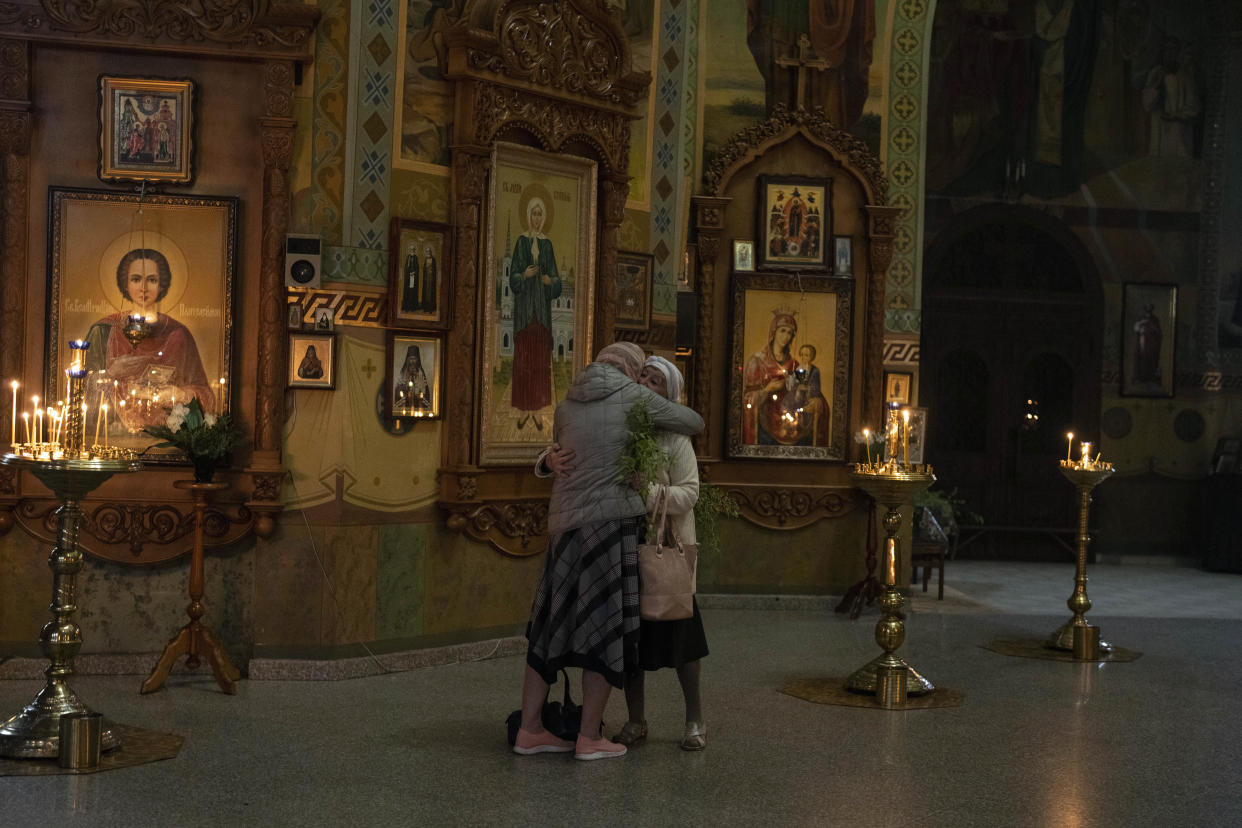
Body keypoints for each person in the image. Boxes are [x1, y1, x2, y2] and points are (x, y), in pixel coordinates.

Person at [515, 342, 703, 761]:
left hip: (564, 528)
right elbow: (694, 420)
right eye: (642, 374)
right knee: (603, 629)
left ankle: (529, 730)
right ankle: (588, 737)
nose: (644, 383)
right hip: (610, 528)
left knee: (549, 626)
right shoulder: (633, 398)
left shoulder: (568, 402)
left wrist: (547, 459)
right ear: (631, 372)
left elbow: (562, 453)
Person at [614, 355, 709, 752]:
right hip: (626, 545)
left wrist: (647, 491)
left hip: (666, 550)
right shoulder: (623, 429)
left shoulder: (675, 438)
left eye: (654, 381)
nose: (644, 383)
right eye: (642, 376)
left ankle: (694, 720)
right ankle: (636, 720)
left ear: (666, 396)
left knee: (681, 643)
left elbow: (690, 492)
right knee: (631, 643)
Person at [84, 247, 215, 431]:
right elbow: (80, 394)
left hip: (168, 434)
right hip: (113, 433)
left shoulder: (178, 334)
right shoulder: (103, 331)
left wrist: (181, 394)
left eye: (152, 280)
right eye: (136, 279)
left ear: (162, 284)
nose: (143, 288)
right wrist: (111, 373)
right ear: (125, 283)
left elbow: (206, 395)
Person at [508, 194, 562, 430]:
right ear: (528, 215)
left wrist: (551, 281)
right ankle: (523, 409)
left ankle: (538, 411)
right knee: (523, 361)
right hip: (524, 314)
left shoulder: (547, 245)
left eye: (541, 214)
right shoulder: (521, 242)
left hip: (541, 313)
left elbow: (557, 280)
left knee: (540, 362)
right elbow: (513, 278)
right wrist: (524, 275)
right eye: (534, 213)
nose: (537, 218)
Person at [393, 345, 431, 412]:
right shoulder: (403, 373)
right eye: (411, 359)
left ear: (417, 360)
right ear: (408, 360)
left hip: (417, 407)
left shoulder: (421, 374)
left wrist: (419, 396)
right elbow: (398, 391)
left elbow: (426, 394)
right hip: (405, 406)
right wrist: (406, 393)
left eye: (414, 359)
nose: (412, 361)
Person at [1132, 304, 1162, 384]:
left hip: (1151, 343)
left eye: (1150, 310)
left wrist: (1152, 328)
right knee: (1141, 358)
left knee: (1151, 359)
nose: (1148, 312)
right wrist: (1141, 323)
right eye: (1147, 310)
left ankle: (1150, 377)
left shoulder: (1155, 319)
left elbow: (1158, 332)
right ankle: (1140, 377)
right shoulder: (1141, 319)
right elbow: (1136, 328)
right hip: (1142, 341)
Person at [400, 243, 420, 313]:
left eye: (413, 249)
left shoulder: (416, 257)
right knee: (407, 291)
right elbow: (406, 267)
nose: (412, 250)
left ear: (414, 250)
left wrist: (414, 272)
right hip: (408, 277)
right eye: (411, 249)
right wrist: (407, 273)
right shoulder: (408, 257)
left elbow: (417, 268)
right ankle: (406, 307)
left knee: (412, 292)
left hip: (413, 277)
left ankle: (412, 307)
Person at [419, 244, 438, 313]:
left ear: (431, 252)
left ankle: (430, 308)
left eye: (429, 251)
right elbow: (424, 269)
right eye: (427, 251)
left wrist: (431, 272)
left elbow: (435, 269)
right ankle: (425, 307)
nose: (428, 252)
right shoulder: (426, 259)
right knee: (426, 293)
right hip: (426, 279)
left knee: (430, 294)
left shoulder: (433, 259)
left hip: (431, 279)